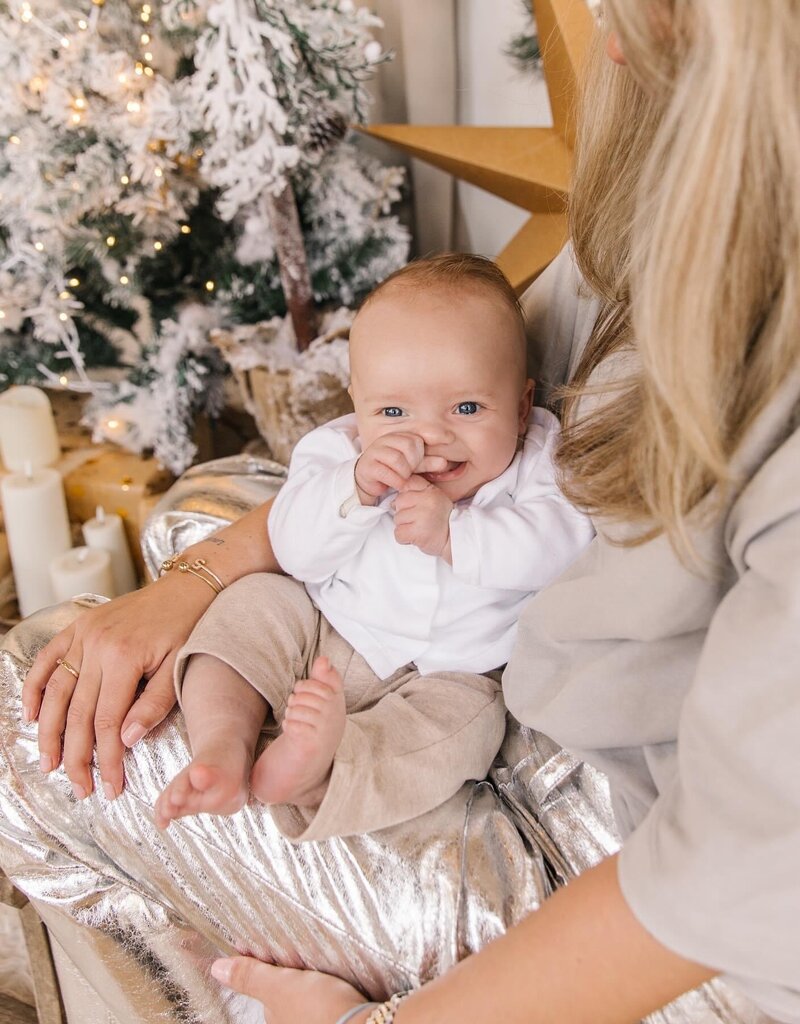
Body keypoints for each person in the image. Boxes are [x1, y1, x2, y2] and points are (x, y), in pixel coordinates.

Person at [2, 0, 798, 1022]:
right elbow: (338, 485)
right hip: (496, 660)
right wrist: (193, 585)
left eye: (648, 8)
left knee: (33, 711)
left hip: (595, 827)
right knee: (188, 522)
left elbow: (724, 876)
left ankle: (265, 914)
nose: (595, 28)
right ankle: (228, 768)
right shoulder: (685, 173)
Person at [153, 255, 593, 838]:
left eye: (466, 408)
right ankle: (221, 744)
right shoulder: (338, 453)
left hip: (451, 672)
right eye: (392, 412)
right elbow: (294, 547)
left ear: (519, 406)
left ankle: (324, 771)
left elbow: (562, 548)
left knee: (464, 733)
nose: (429, 435)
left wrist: (456, 535)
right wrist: (354, 490)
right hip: (328, 629)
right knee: (252, 605)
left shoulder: (541, 460)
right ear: (357, 406)